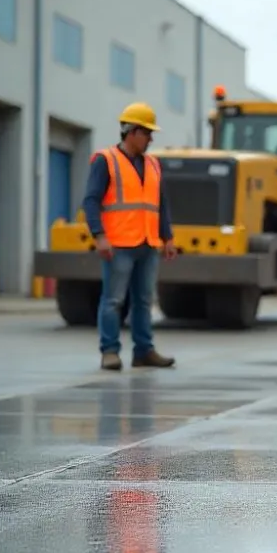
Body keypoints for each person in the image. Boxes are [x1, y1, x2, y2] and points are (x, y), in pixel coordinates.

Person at [81, 102, 178, 371]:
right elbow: (91, 200)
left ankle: (144, 351)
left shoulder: (154, 165)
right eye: (147, 132)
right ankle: (110, 352)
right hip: (119, 244)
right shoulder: (106, 160)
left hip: (148, 243)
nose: (151, 138)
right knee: (113, 300)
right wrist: (99, 235)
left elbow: (161, 203)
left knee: (144, 301)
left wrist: (167, 237)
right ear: (132, 131)